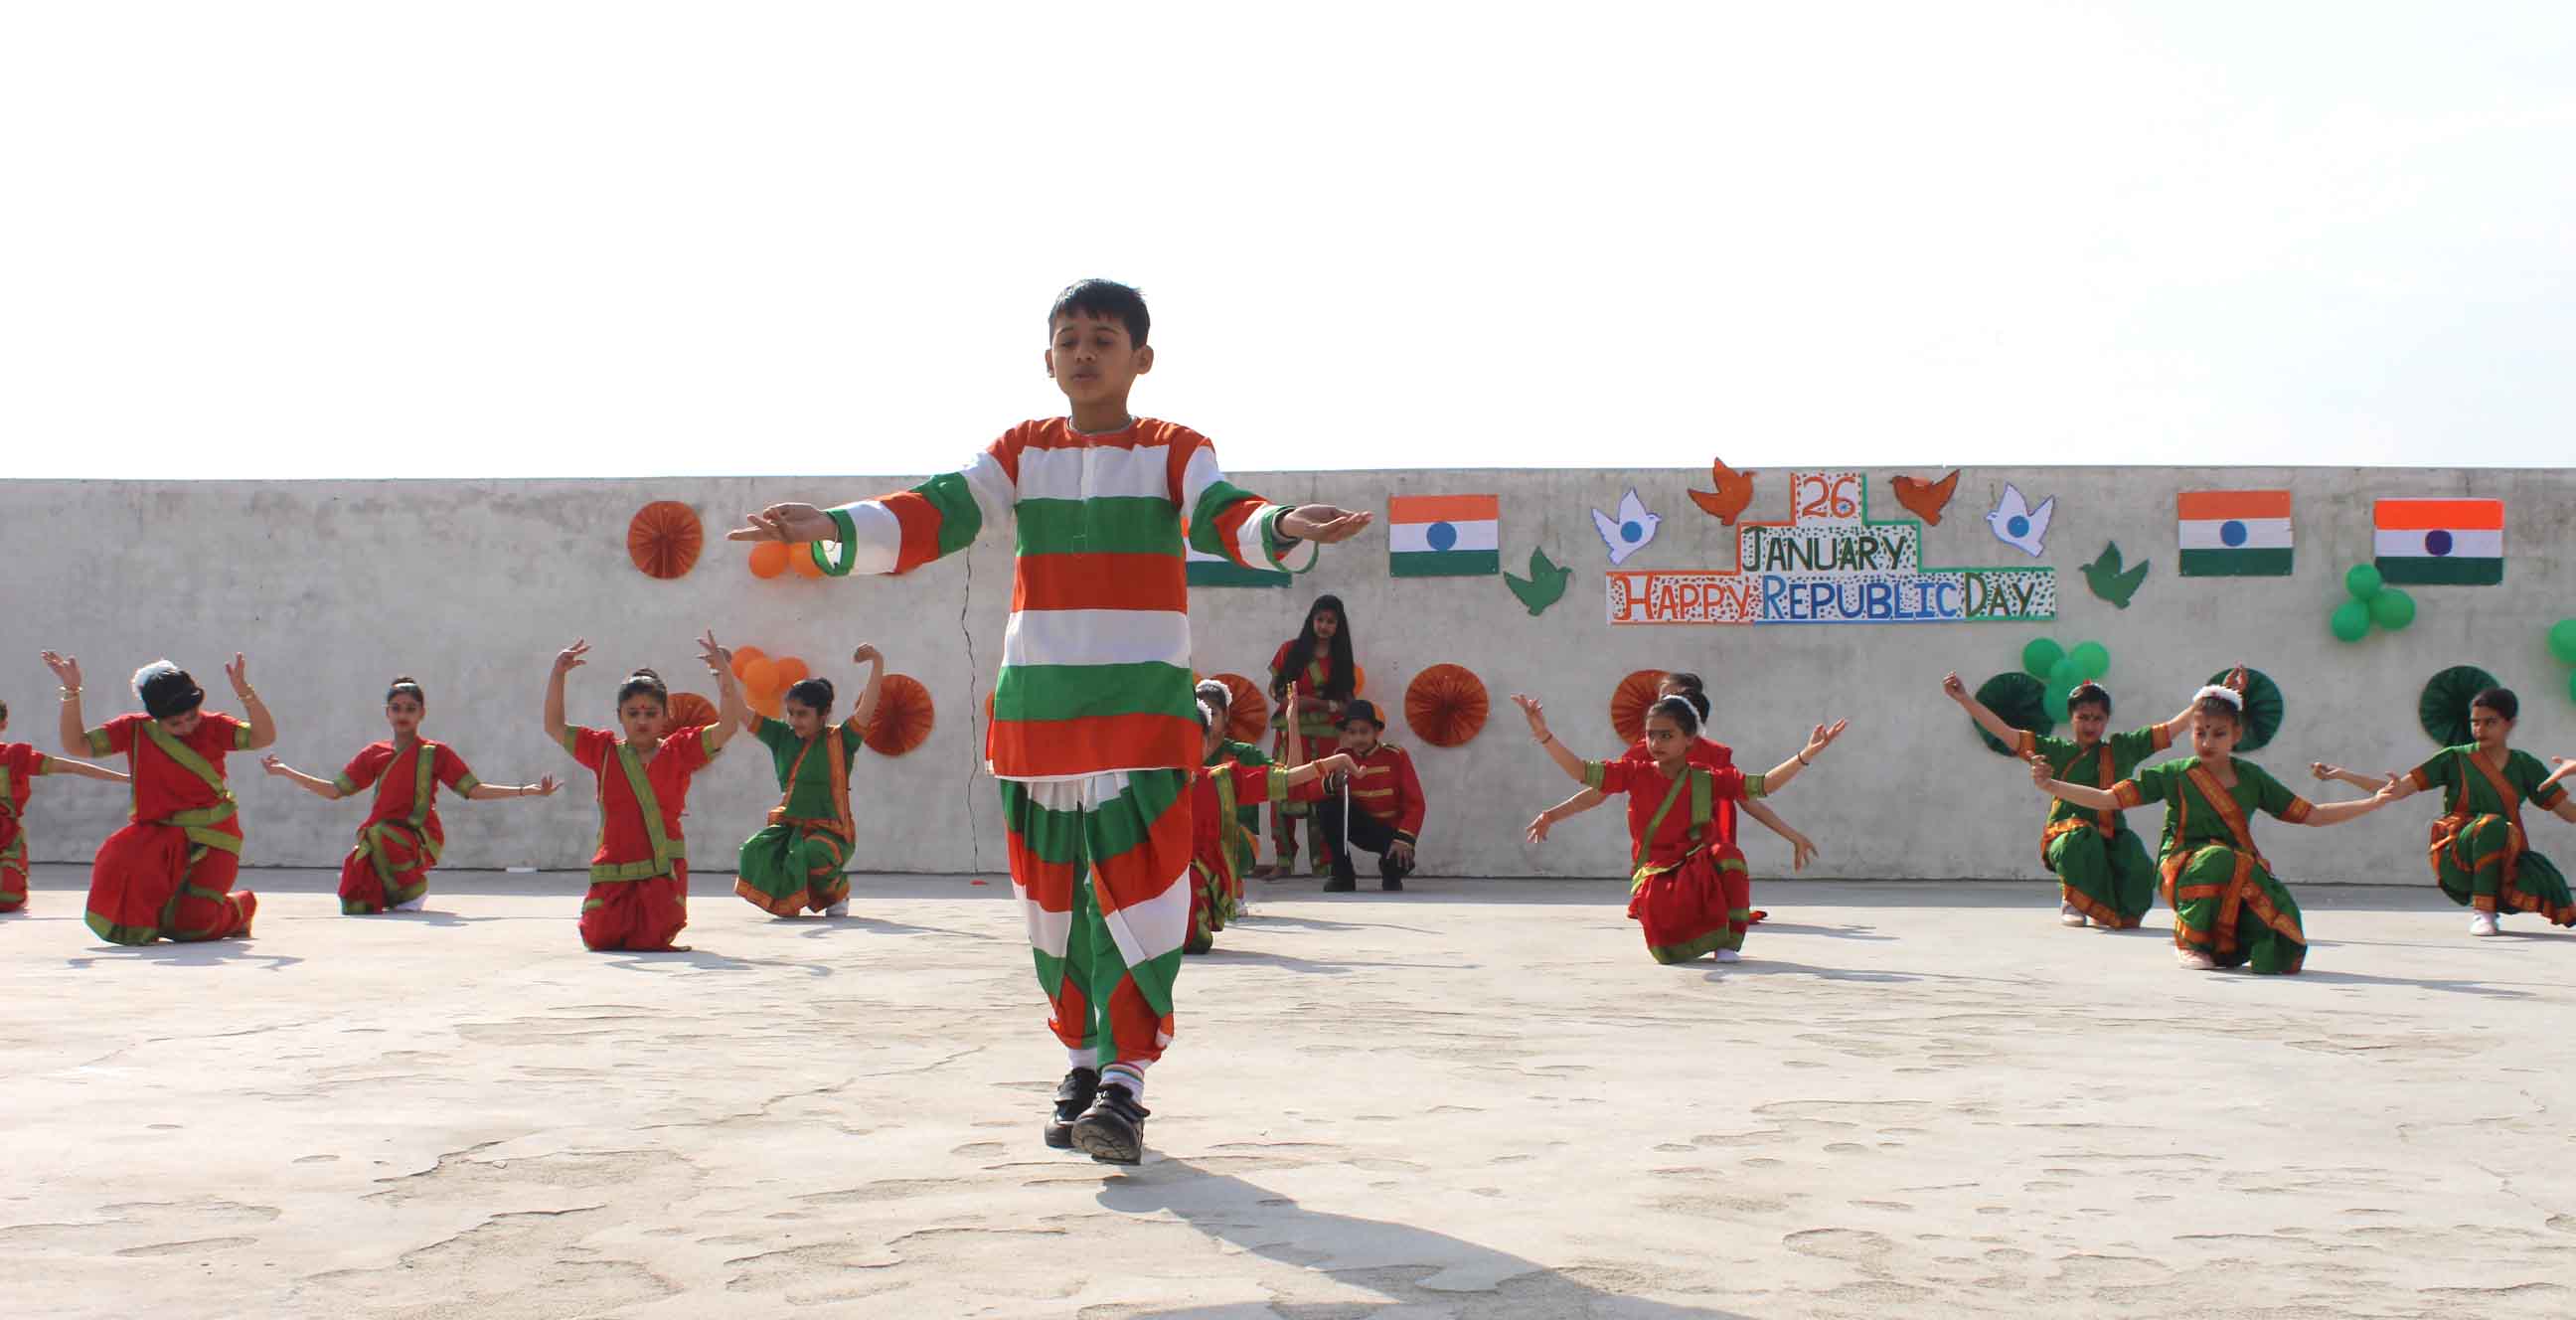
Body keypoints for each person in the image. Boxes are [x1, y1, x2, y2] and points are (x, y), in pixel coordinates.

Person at [724, 278, 1369, 1165]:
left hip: (1142, 721)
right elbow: (939, 508)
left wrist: (1286, 522)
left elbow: (1230, 516)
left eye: (1103, 338)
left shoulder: (1177, 451)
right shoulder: (1021, 453)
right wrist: (830, 523)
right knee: (1051, 909)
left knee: (1144, 901)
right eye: (1068, 338)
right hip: (1039, 723)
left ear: (1140, 358)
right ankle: (1079, 1063)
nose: (1084, 352)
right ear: (1048, 359)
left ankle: (1127, 1083)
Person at [2031, 670, 2398, 972]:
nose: (2207, 741)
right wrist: (2052, 785)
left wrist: (2373, 802)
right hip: (2184, 867)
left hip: (2239, 870)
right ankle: (2189, 940)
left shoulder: (2252, 778)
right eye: (2199, 731)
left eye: (2218, 733)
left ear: (2236, 735)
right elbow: (2108, 798)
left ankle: (2225, 946)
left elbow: (2311, 815)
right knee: (2220, 858)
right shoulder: (2175, 773)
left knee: (2284, 944)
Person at [1517, 690, 1846, 963]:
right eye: (1651, 735)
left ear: (1689, 740)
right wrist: (1544, 735)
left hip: (1697, 865)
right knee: (1668, 951)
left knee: (1728, 855)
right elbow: (1581, 773)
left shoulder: (1706, 778)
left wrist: (1807, 754)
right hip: (1656, 874)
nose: (1656, 742)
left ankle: (1727, 944)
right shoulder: (1634, 772)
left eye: (1666, 735)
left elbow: (1762, 787)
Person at [263, 676, 560, 914]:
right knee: (355, 901)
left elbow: (473, 789)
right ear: (387, 712)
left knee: (380, 834)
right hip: (381, 836)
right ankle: (396, 894)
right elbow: (334, 790)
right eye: (396, 707)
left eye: (410, 708)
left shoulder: (435, 753)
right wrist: (287, 771)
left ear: (422, 713)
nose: (403, 714)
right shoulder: (374, 754)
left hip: (418, 836)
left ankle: (415, 889)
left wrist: (526, 791)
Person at [1534, 672, 1817, 921]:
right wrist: (1553, 813)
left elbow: (1754, 792)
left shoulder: (1712, 763)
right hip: (1657, 860)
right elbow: (1592, 785)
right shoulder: (1640, 761)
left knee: (1721, 863)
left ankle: (1717, 918)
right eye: (1660, 702)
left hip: (1699, 849)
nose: (1657, 738)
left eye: (1669, 700)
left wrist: (1792, 831)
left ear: (1689, 726)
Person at [43, 651, 275, 945]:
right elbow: (77, 746)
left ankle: (240, 907)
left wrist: (246, 694)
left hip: (215, 835)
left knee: (192, 927)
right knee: (122, 865)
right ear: (154, 718)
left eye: (191, 717)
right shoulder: (135, 730)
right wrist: (72, 692)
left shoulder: (213, 727)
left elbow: (263, 737)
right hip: (160, 836)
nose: (187, 726)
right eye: (175, 724)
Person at [544, 633, 746, 952]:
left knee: (651, 939)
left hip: (662, 871)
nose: (642, 721)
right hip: (615, 866)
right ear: (619, 716)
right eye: (633, 713)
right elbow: (554, 727)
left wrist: (724, 674)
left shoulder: (680, 750)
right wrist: (558, 673)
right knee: (601, 938)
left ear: (665, 717)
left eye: (651, 713)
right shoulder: (603, 750)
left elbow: (728, 727)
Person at [2318, 686, 2576, 936]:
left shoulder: (2525, 765)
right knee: (2492, 824)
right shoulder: (2454, 758)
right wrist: (2343, 775)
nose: (2479, 729)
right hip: (2458, 853)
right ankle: (2482, 912)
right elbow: (2395, 790)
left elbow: (2569, 813)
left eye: (2489, 722)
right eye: (2475, 722)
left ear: (2510, 724)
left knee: (2546, 880)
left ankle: (2498, 900)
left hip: (2505, 853)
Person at [1946, 673, 2193, 929]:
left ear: (2107, 720)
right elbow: (2005, 733)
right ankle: (2073, 899)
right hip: (2069, 837)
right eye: (2083, 717)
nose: (2090, 725)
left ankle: (2106, 908)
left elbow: (2172, 728)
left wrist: (2211, 698)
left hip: (2111, 834)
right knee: (2081, 839)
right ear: (2071, 718)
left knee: (2135, 857)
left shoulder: (2121, 750)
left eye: (2097, 718)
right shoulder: (2056, 751)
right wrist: (1965, 699)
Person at [1186, 696, 1354, 953]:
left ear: (1206, 744)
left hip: (1195, 878)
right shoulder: (1145, 783)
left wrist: (1331, 762)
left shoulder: (1223, 778)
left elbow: (1286, 779)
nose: (1181, 746)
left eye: (1192, 737)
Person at [735, 645, 886, 917]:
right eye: (790, 712)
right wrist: (720, 671)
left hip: (832, 833)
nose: (794, 720)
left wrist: (877, 662)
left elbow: (867, 709)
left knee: (812, 854)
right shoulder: (781, 736)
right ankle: (791, 900)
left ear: (824, 713)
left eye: (802, 714)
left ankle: (837, 893)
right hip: (790, 827)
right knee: (754, 851)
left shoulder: (842, 740)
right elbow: (739, 710)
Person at [0, 694, 131, 913]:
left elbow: (72, 767)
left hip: (6, 841)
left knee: (7, 897)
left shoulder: (15, 757)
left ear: (3, 724)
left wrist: (125, 778)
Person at [1263, 594, 1358, 877]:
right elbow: (1276, 691)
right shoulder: (1290, 651)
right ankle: (1283, 861)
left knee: (1323, 793)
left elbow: (1347, 703)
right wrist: (1294, 701)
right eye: (1320, 619)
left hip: (1327, 736)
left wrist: (1317, 704)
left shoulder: (1341, 658)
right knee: (1281, 791)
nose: (1324, 626)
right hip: (1291, 733)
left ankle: (1324, 863)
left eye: (1331, 621)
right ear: (1311, 620)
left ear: (1338, 626)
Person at [1310, 699, 1425, 893]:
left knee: (1399, 862)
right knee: (1327, 807)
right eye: (1352, 732)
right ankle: (1342, 874)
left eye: (1364, 731)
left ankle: (1390, 873)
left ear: (1375, 732)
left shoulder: (1395, 755)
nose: (1358, 738)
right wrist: (1332, 783)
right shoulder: (1340, 756)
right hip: (1359, 826)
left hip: (1390, 832)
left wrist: (1404, 840)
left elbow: (1416, 803)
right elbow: (1312, 791)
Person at [1195, 677, 1269, 914]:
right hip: (1197, 833)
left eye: (1213, 712)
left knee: (1217, 820)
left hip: (1241, 839)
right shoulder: (1183, 754)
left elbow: (1285, 776)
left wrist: (1293, 726)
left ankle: (1233, 891)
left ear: (1227, 716)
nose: (1206, 717)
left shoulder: (1243, 754)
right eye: (1200, 710)